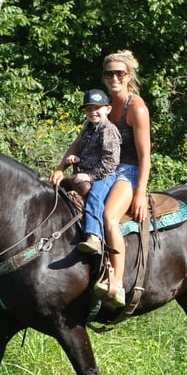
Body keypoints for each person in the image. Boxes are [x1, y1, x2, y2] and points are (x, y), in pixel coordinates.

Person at [97, 50, 151, 308]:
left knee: (109, 216)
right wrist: (64, 165)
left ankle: (117, 282)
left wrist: (140, 192)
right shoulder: (106, 105)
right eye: (109, 73)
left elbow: (145, 156)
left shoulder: (136, 107)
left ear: (128, 75)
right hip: (105, 168)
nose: (114, 78)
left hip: (128, 171)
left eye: (119, 73)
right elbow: (83, 136)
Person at [50, 89, 121, 258]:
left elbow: (111, 161)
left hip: (104, 174)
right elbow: (84, 148)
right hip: (86, 170)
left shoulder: (108, 131)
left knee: (95, 197)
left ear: (107, 109)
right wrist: (76, 158)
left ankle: (94, 236)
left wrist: (90, 176)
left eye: (97, 108)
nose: (93, 112)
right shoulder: (88, 128)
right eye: (89, 109)